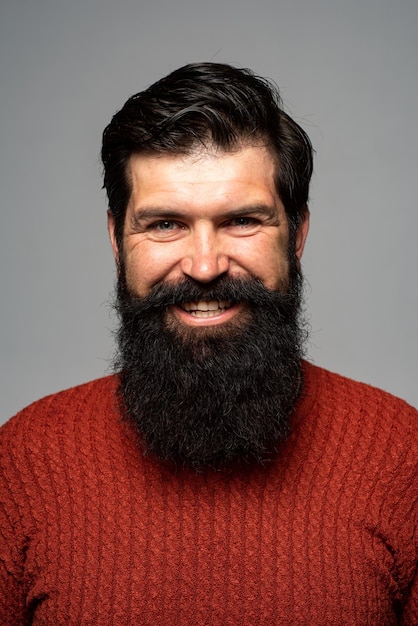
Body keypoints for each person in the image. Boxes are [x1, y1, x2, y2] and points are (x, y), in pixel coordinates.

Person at [0, 62, 416, 625]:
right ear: (117, 241)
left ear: (297, 236)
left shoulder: (401, 456)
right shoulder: (23, 462)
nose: (203, 266)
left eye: (242, 221)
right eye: (165, 224)